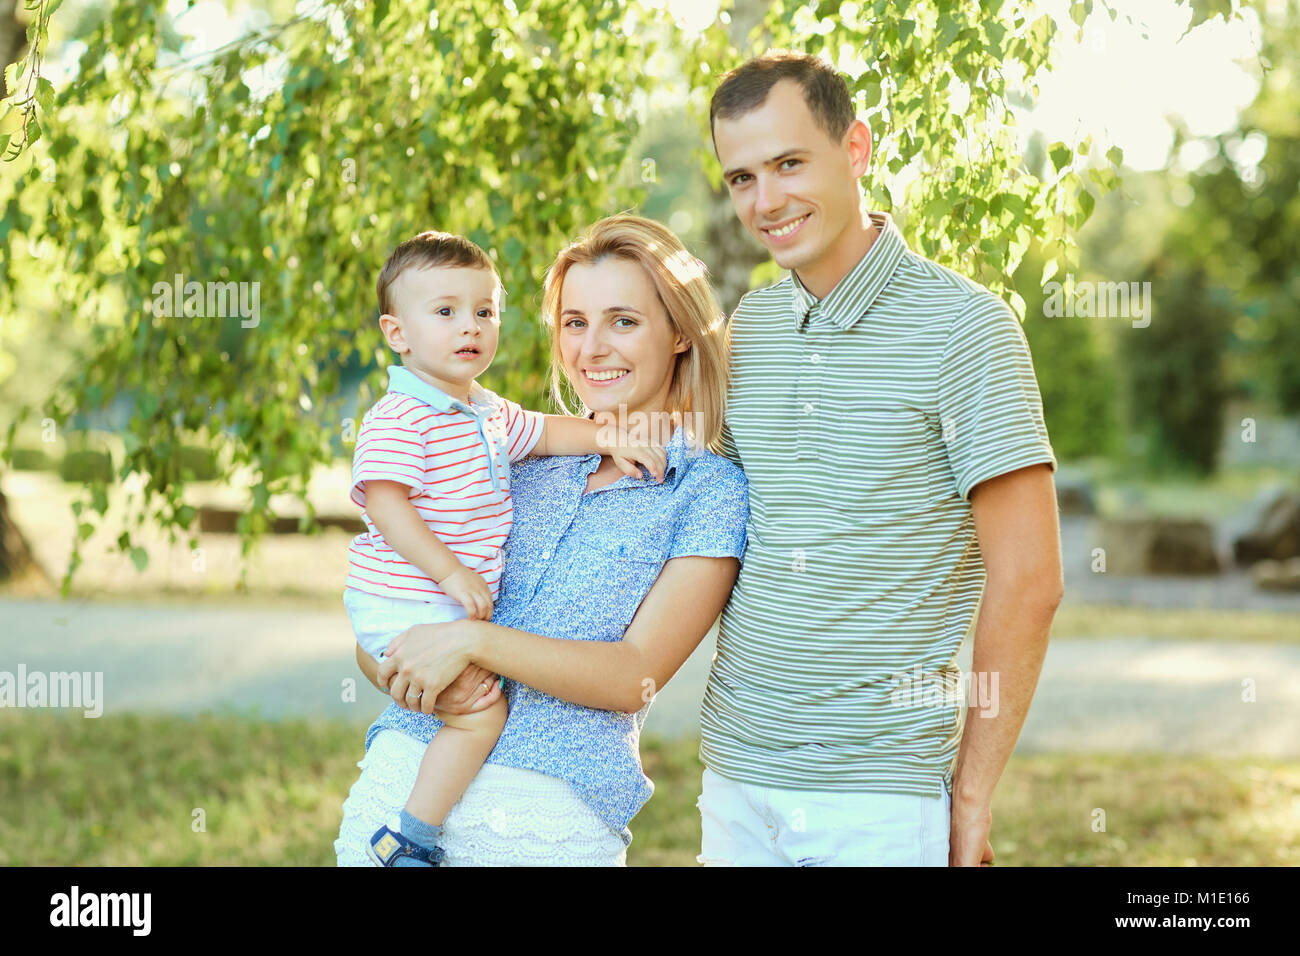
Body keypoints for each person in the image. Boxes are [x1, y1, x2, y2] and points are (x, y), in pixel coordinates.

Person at [699, 51, 1063, 866]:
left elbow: (1031, 580)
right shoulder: (745, 335)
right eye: (742, 178)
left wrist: (970, 798)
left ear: (855, 148)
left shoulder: (968, 329)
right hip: (734, 779)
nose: (767, 201)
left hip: (880, 797)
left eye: (790, 164)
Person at [335, 214, 749, 865]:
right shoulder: (509, 451)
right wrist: (400, 668)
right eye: (575, 323)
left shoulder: (707, 489)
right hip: (397, 794)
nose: (591, 349)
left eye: (624, 321)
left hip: (544, 826)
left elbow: (633, 675)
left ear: (678, 334)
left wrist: (472, 642)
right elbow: (385, 627)